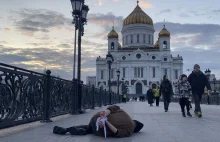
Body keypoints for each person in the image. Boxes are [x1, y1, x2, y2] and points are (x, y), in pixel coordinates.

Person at [53, 105, 144, 138]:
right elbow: (117, 132)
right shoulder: (130, 130)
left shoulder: (125, 114)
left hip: (97, 117)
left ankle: (67, 129)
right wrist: (105, 122)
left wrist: (104, 115)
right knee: (90, 129)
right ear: (135, 130)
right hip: (101, 129)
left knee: (90, 126)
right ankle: (77, 130)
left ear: (134, 121)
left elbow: (113, 107)